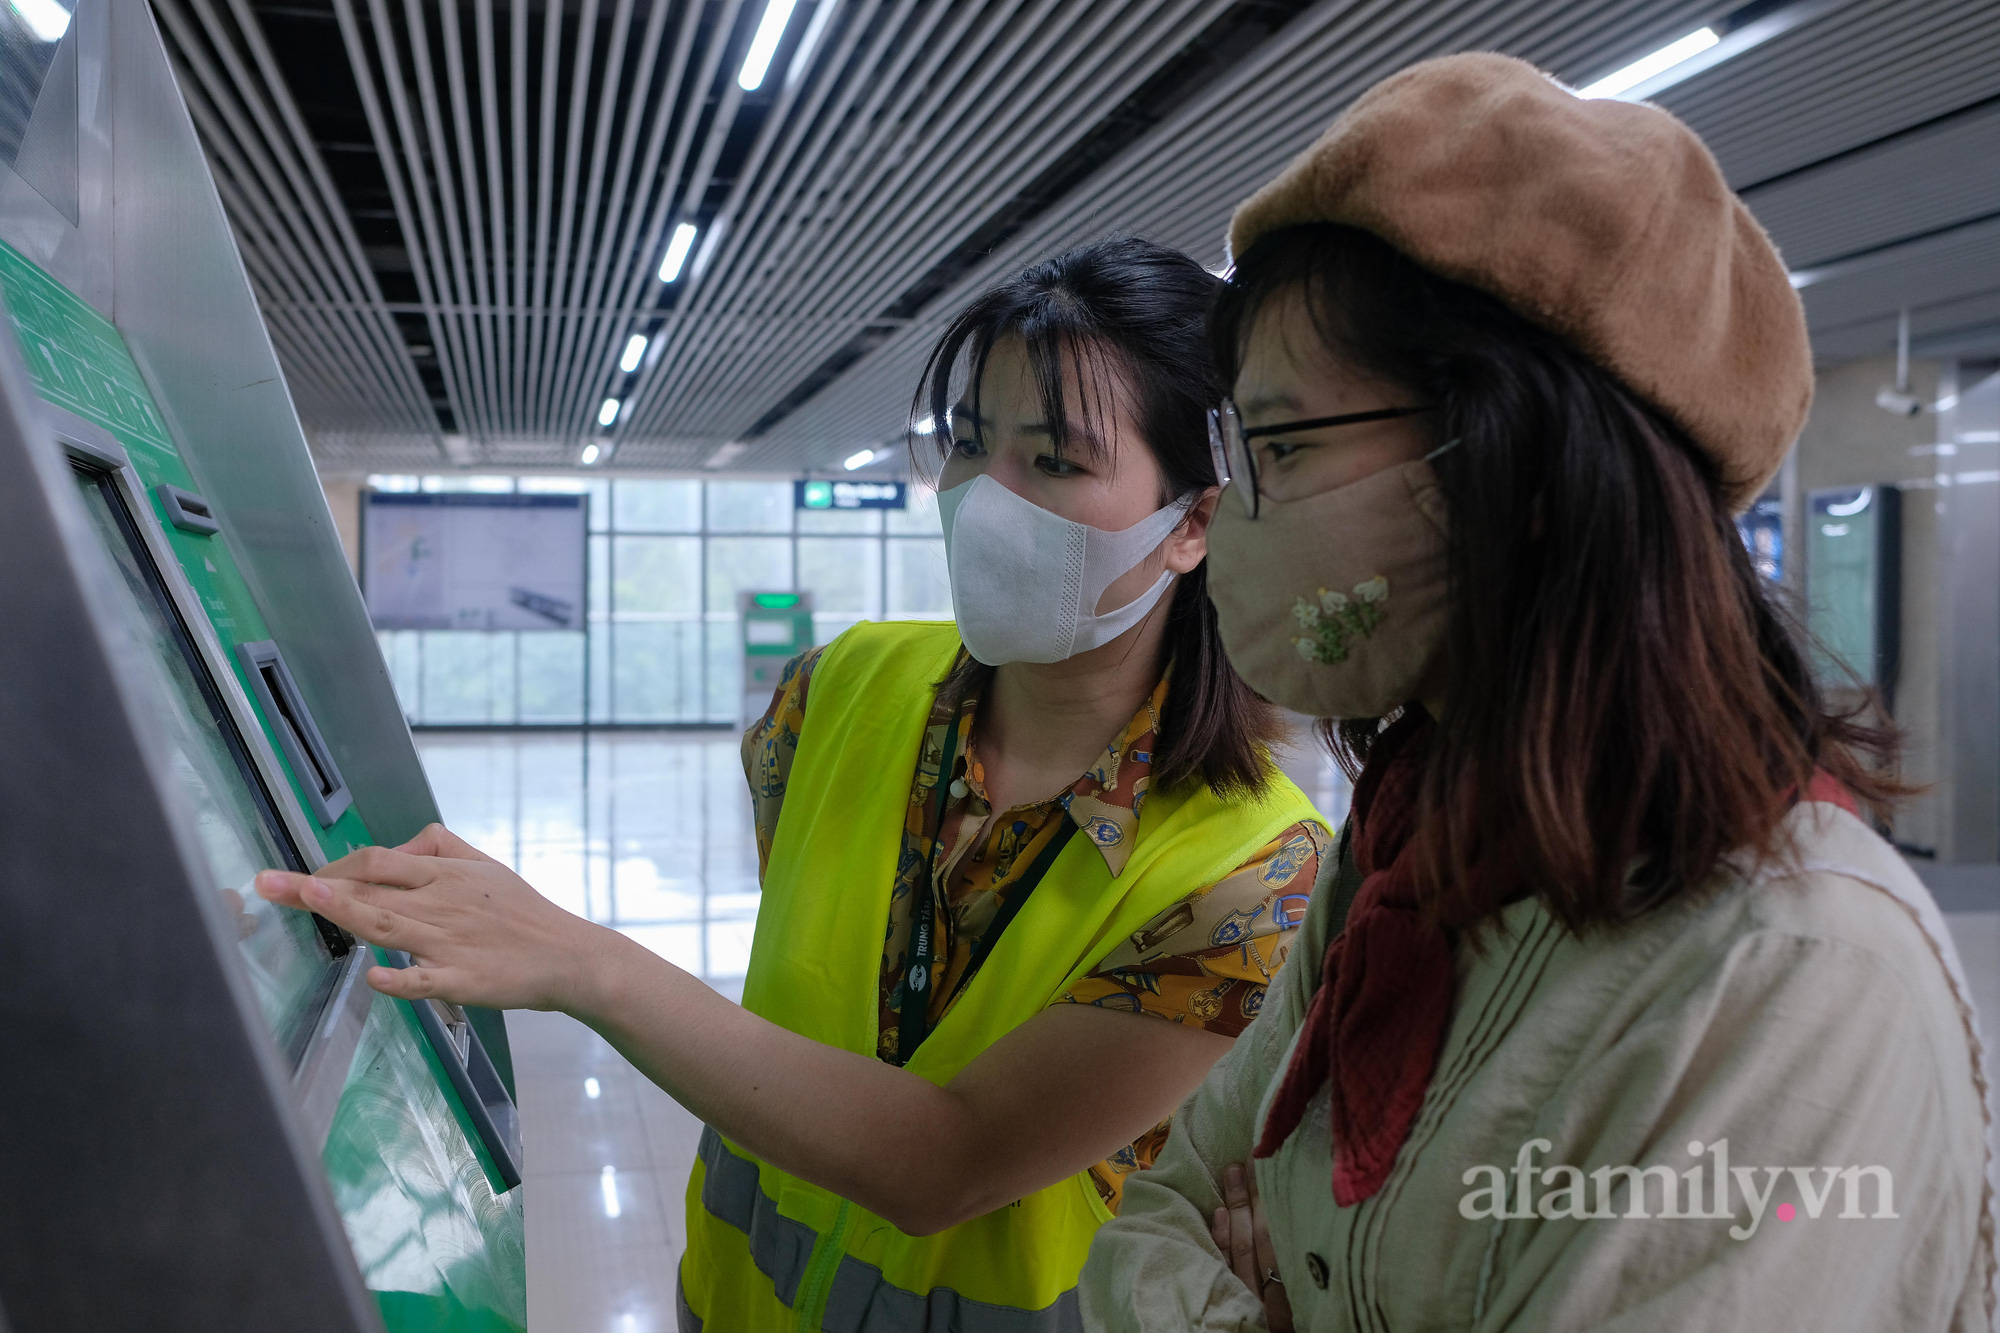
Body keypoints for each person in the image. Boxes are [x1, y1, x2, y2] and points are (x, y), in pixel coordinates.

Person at [256, 236, 1329, 1329]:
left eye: (1052, 461)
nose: (983, 500)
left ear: (1192, 520)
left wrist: (587, 963)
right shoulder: (833, 691)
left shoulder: (1253, 875)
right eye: (968, 444)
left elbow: (947, 1163)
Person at [1080, 54, 1994, 1331]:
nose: (1234, 514)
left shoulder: (1791, 977)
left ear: (1526, 468)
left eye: (1282, 447)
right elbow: (1152, 1224)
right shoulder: (1409, 847)